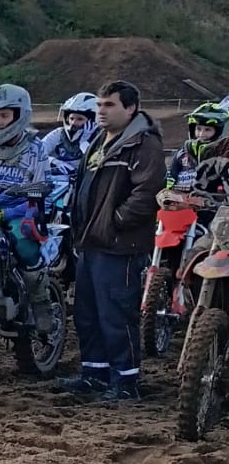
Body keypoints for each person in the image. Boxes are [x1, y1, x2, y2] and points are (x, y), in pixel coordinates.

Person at [60, 78, 167, 404]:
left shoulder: (143, 144)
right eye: (99, 105)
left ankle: (125, 382)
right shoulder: (100, 139)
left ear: (130, 108)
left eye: (109, 105)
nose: (101, 111)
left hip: (119, 245)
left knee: (116, 314)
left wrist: (113, 222)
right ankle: (94, 374)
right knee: (88, 312)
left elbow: (147, 193)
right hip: (91, 241)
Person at [40, 92, 99, 199]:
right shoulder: (59, 133)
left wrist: (84, 142)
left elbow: (95, 163)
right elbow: (36, 152)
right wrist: (54, 161)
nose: (73, 123)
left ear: (92, 120)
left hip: (84, 186)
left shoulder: (99, 137)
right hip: (59, 183)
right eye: (71, 118)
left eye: (80, 119)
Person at [165, 101, 229, 191]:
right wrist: (168, 190)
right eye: (198, 129)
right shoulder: (182, 153)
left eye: (207, 130)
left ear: (219, 132)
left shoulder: (223, 155)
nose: (201, 134)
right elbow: (171, 176)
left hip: (212, 198)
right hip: (181, 196)